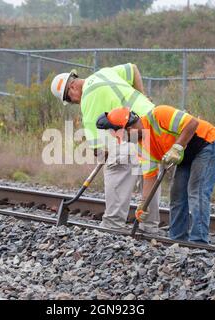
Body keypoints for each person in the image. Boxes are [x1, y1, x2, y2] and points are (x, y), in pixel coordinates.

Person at [50, 64, 161, 234]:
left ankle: (113, 225)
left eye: (70, 99)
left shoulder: (88, 99)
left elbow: (98, 146)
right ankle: (149, 227)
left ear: (71, 87)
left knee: (116, 169)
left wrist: (103, 154)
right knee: (149, 177)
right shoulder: (105, 73)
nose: (74, 102)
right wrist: (142, 95)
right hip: (153, 128)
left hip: (129, 134)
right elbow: (133, 69)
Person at [96, 106, 215, 243]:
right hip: (186, 155)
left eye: (123, 137)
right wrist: (143, 204)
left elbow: (192, 123)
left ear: (128, 129)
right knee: (177, 195)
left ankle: (199, 242)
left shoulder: (158, 115)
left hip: (207, 144)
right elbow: (150, 177)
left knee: (196, 191)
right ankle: (178, 240)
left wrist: (177, 146)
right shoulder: (140, 145)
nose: (125, 141)